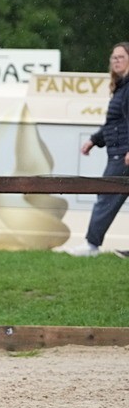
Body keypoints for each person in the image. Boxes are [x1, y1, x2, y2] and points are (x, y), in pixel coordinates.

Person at [68, 42, 129, 257]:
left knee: (106, 195)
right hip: (118, 150)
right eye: (113, 57)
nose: (116, 60)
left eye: (121, 56)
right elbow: (115, 123)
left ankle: (91, 245)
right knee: (108, 196)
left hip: (123, 154)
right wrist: (94, 140)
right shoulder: (122, 87)